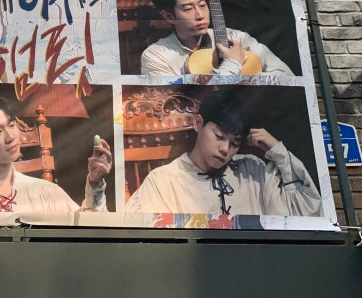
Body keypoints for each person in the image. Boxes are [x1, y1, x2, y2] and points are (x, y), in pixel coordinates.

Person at [125, 91, 322, 217]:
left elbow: (304, 211)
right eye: (219, 136)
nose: (225, 149)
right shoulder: (164, 181)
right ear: (198, 124)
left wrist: (277, 151)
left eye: (235, 143)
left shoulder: (252, 170)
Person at [140, 0, 294, 82]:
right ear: (169, 16)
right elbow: (184, 100)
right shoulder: (156, 57)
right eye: (188, 9)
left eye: (202, 5)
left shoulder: (235, 37)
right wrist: (233, 64)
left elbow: (286, 75)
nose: (200, 15)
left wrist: (245, 81)